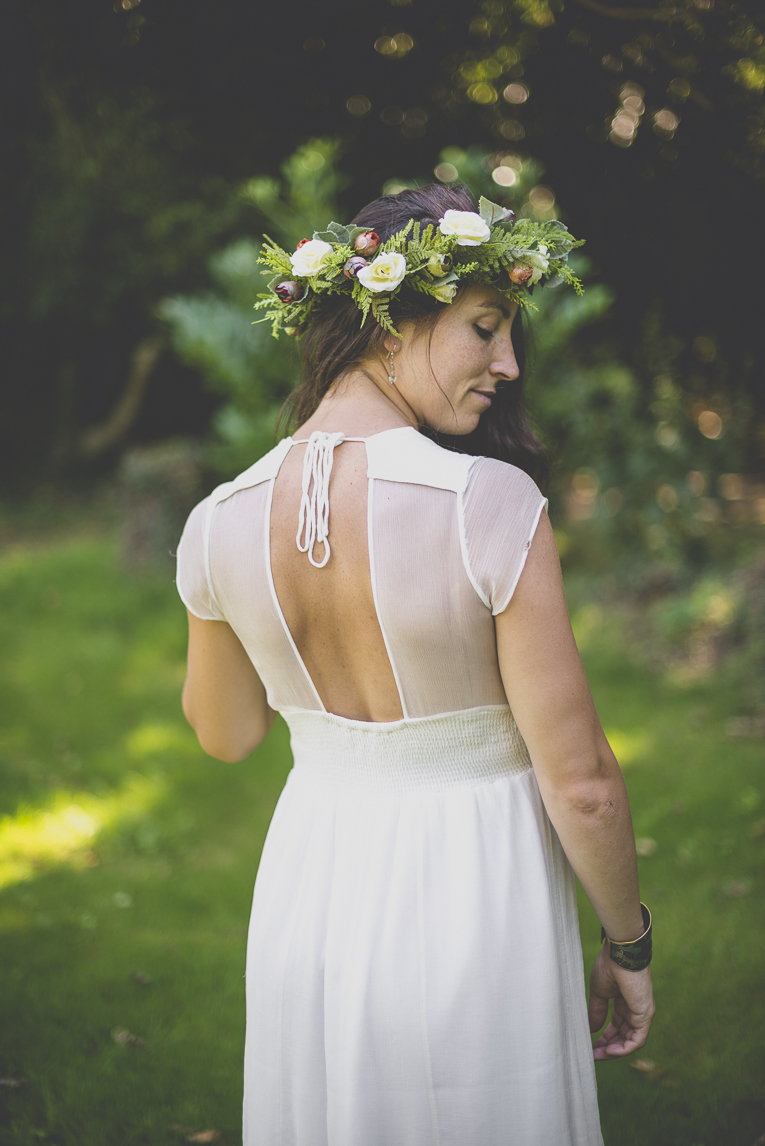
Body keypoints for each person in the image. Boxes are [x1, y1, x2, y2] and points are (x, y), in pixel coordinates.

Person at [176, 183, 655, 1146]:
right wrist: (627, 943)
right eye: (485, 330)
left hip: (315, 884)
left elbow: (226, 737)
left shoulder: (218, 520)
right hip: (479, 884)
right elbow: (585, 785)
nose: (507, 364)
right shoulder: (487, 502)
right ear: (391, 323)